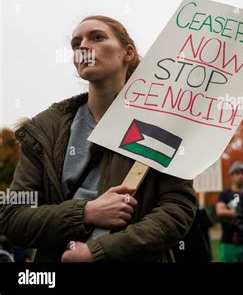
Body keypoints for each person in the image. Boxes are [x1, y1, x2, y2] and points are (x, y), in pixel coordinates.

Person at [0, 15, 197, 262]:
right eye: (75, 43)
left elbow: (176, 211)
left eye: (97, 37)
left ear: (128, 52)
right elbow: (13, 218)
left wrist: (99, 252)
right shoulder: (44, 131)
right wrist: (86, 212)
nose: (82, 46)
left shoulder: (162, 125)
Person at [215, 161, 243, 262]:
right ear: (231, 176)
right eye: (237, 173)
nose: (241, 176)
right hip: (228, 241)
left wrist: (230, 214)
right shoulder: (225, 194)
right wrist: (242, 214)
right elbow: (220, 211)